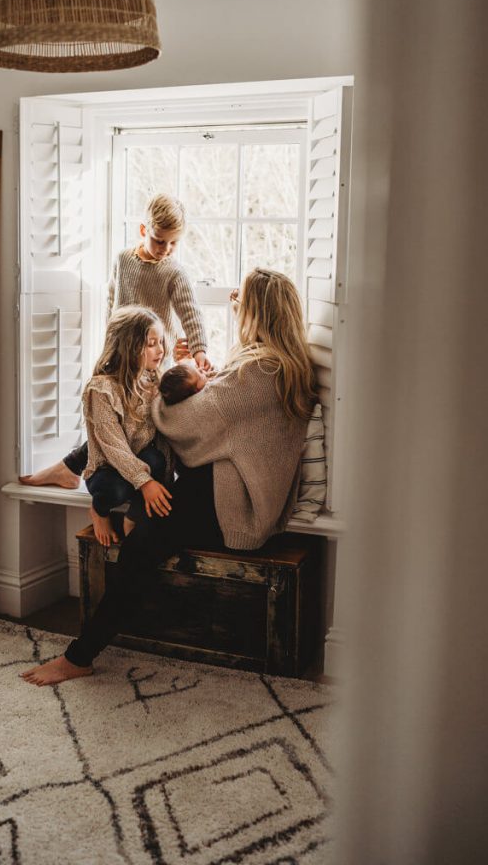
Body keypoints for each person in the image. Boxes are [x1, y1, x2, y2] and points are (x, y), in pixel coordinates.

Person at [21, 268, 316, 687]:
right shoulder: (281, 366)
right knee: (142, 484)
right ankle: (95, 485)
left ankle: (79, 656)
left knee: (142, 545)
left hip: (233, 509)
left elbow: (180, 421)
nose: (235, 304)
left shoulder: (258, 374)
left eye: (242, 301)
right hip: (233, 492)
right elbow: (219, 409)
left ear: (257, 313)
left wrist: (160, 387)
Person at [19, 193, 210, 489]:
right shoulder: (123, 260)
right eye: (160, 240)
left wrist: (199, 351)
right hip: (121, 359)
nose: (166, 249)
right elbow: (112, 302)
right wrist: (111, 345)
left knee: (140, 426)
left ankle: (72, 469)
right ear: (144, 230)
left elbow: (191, 313)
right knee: (105, 418)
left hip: (154, 363)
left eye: (174, 243)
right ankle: (77, 472)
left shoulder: (174, 272)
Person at [78, 306, 173, 549]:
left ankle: (134, 517)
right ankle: (99, 512)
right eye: (152, 343)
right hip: (107, 468)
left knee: (158, 463)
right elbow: (113, 447)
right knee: (116, 490)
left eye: (160, 342)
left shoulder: (153, 379)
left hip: (137, 461)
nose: (160, 349)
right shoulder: (101, 389)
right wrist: (144, 481)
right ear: (129, 347)